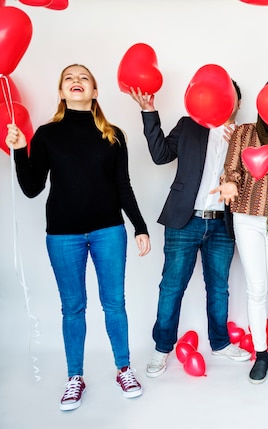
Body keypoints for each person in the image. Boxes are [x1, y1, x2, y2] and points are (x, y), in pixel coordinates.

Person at [5, 64, 151, 411]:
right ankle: (75, 377)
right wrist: (19, 149)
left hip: (108, 232)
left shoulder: (113, 134)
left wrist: (140, 227)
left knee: (114, 304)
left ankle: (124, 368)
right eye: (69, 78)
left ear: (94, 92)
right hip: (63, 235)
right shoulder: (45, 134)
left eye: (83, 77)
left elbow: (123, 186)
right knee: (73, 308)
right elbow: (31, 188)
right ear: (60, 92)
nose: (76, 81)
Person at [128, 81, 251, 379]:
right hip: (185, 220)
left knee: (219, 287)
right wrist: (149, 112)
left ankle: (220, 343)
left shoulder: (245, 135)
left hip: (223, 223)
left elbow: (256, 178)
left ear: (235, 103)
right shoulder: (189, 125)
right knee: (172, 286)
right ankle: (162, 347)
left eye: (230, 97)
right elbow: (161, 155)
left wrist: (239, 146)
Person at [213, 81, 268, 384]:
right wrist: (230, 183)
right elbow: (232, 169)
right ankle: (261, 354)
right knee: (256, 289)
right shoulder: (244, 132)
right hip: (246, 218)